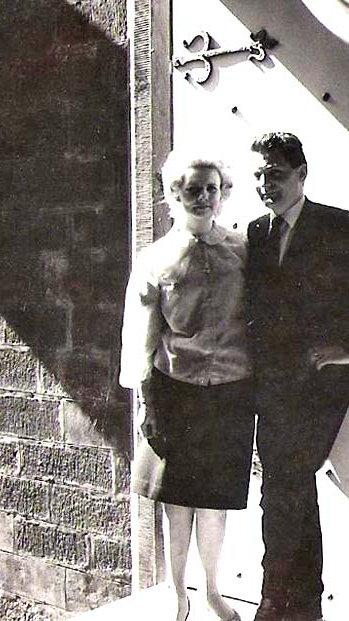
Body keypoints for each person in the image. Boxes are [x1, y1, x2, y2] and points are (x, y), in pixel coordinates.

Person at [246, 132, 349, 621]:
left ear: (301, 174)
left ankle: (274, 598)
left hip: (322, 386)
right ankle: (304, 604)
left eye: (274, 174)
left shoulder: (339, 226)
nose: (264, 184)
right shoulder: (254, 232)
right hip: (273, 387)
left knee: (284, 481)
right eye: (258, 175)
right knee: (290, 483)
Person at [120, 151, 254, 621]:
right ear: (175, 194)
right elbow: (141, 337)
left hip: (232, 392)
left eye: (211, 189)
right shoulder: (154, 258)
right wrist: (145, 404)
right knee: (176, 501)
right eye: (192, 189)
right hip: (175, 391)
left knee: (215, 501)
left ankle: (214, 590)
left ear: (222, 195)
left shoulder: (243, 250)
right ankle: (179, 595)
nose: (202, 197)